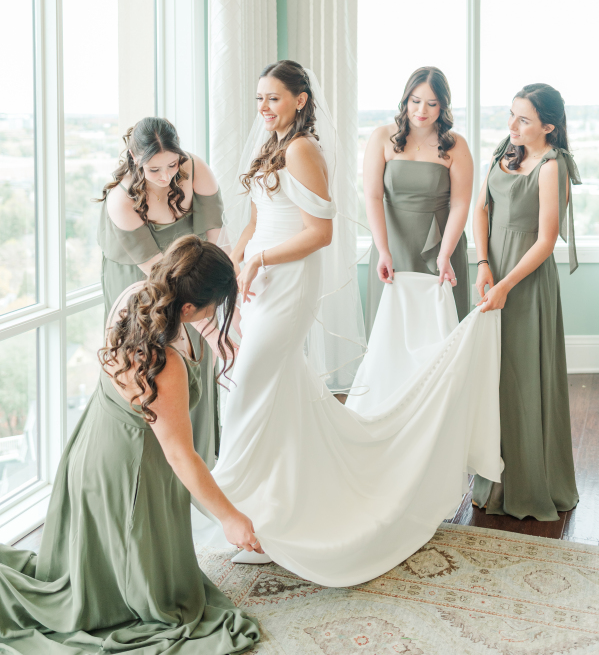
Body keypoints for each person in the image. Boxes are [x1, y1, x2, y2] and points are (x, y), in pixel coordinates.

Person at [211, 60, 502, 587]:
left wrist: (260, 260)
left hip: (288, 280)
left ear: (299, 100)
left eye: (273, 98)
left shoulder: (303, 149)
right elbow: (257, 217)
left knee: (249, 386)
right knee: (273, 390)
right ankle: (272, 507)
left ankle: (230, 501)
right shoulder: (275, 144)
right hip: (259, 282)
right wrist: (237, 260)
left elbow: (321, 232)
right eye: (259, 98)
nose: (263, 108)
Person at [0, 235, 260, 654]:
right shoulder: (163, 364)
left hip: (92, 448)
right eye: (213, 305)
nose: (215, 313)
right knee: (150, 603)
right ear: (188, 308)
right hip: (127, 470)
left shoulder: (138, 298)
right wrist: (230, 518)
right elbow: (181, 455)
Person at [472, 83, 580, 521]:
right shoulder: (506, 148)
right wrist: (483, 264)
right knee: (494, 376)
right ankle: (493, 483)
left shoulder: (552, 167)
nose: (512, 125)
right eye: (511, 114)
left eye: (523, 119)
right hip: (493, 271)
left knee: (522, 377)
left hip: (525, 281)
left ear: (548, 127)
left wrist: (506, 285)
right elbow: (482, 209)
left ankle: (531, 485)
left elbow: (546, 241)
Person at [97, 117, 225, 466]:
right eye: (154, 169)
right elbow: (160, 278)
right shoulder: (121, 200)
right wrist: (214, 333)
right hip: (143, 283)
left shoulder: (195, 169)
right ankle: (157, 465)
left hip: (191, 274)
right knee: (153, 364)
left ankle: (199, 463)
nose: (166, 176)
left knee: (198, 358)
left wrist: (218, 302)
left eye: (172, 164)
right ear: (134, 158)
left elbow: (215, 241)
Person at [363, 66, 472, 336]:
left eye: (432, 103)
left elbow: (460, 204)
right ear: (405, 100)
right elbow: (373, 196)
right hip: (392, 243)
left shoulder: (456, 145)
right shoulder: (381, 137)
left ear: (442, 106)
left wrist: (445, 254)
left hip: (440, 245)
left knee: (439, 331)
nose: (422, 110)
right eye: (415, 101)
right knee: (391, 329)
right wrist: (383, 250)